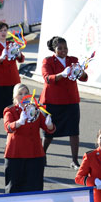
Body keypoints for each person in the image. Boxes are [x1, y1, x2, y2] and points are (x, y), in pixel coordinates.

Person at [40, 36, 87, 167]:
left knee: (74, 131)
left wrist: (81, 73)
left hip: (71, 101)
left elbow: (84, 77)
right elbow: (47, 78)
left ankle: (74, 160)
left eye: (65, 48)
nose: (63, 50)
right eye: (59, 48)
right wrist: (62, 74)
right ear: (54, 50)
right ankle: (42, 154)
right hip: (52, 101)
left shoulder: (73, 60)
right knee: (49, 132)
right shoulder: (48, 61)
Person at [3, 84, 55, 193]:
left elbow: (49, 129)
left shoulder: (35, 109)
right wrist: (18, 123)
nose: (23, 96)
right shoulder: (10, 110)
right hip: (16, 154)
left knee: (35, 188)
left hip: (34, 154)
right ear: (14, 97)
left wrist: (49, 124)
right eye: (20, 94)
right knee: (13, 188)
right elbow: (8, 127)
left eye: (26, 93)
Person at [0, 21, 25, 147]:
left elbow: (21, 58)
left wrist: (18, 54)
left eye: (5, 30)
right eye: (1, 30)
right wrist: (1, 57)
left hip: (12, 81)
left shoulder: (11, 44)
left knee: (13, 110)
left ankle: (11, 134)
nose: (3, 33)